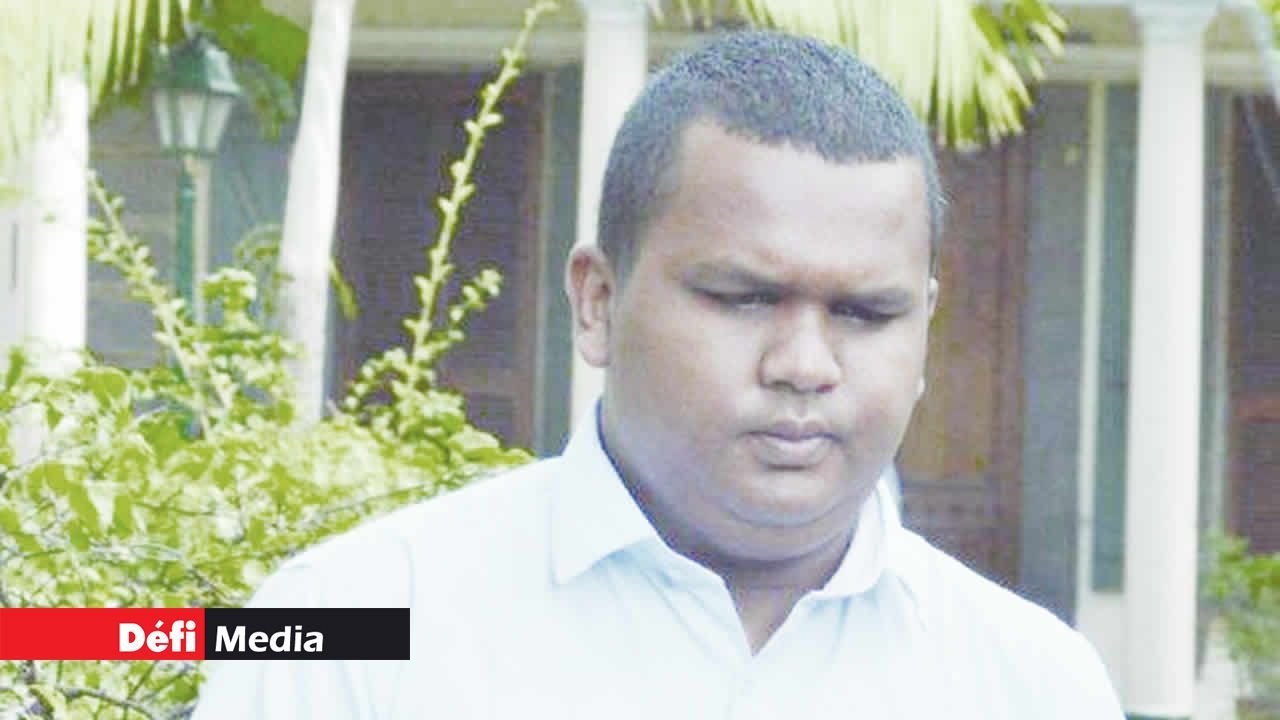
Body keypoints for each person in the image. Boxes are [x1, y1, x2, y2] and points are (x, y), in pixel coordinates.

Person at [193, 30, 1123, 719]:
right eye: (743, 298)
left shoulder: (1033, 684)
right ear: (598, 301)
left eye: (866, 314)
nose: (805, 365)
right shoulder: (351, 629)